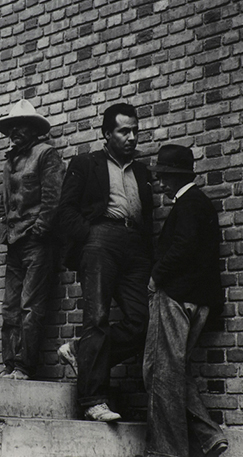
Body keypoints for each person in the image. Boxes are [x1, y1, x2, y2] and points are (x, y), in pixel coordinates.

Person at [55, 102, 153, 422]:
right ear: (107, 133)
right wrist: (89, 237)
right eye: (125, 131)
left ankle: (80, 352)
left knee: (143, 321)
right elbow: (65, 209)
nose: (132, 137)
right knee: (96, 317)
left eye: (135, 131)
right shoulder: (86, 163)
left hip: (135, 247)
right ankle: (94, 400)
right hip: (100, 242)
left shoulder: (141, 171)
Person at [144, 145, 228, 457]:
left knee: (158, 373)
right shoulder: (201, 204)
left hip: (176, 298)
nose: (161, 183)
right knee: (174, 371)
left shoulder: (189, 204)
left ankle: (167, 453)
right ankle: (208, 437)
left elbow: (183, 246)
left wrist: (156, 276)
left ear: (178, 177)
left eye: (165, 177)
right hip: (200, 301)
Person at [0, 100, 64, 380]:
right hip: (14, 242)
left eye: (22, 126)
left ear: (34, 129)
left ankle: (23, 366)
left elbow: (53, 198)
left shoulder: (46, 154)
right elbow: (4, 201)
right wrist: (6, 229)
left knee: (30, 305)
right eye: (12, 126)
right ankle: (9, 364)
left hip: (36, 242)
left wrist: (40, 230)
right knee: (10, 307)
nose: (15, 131)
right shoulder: (10, 160)